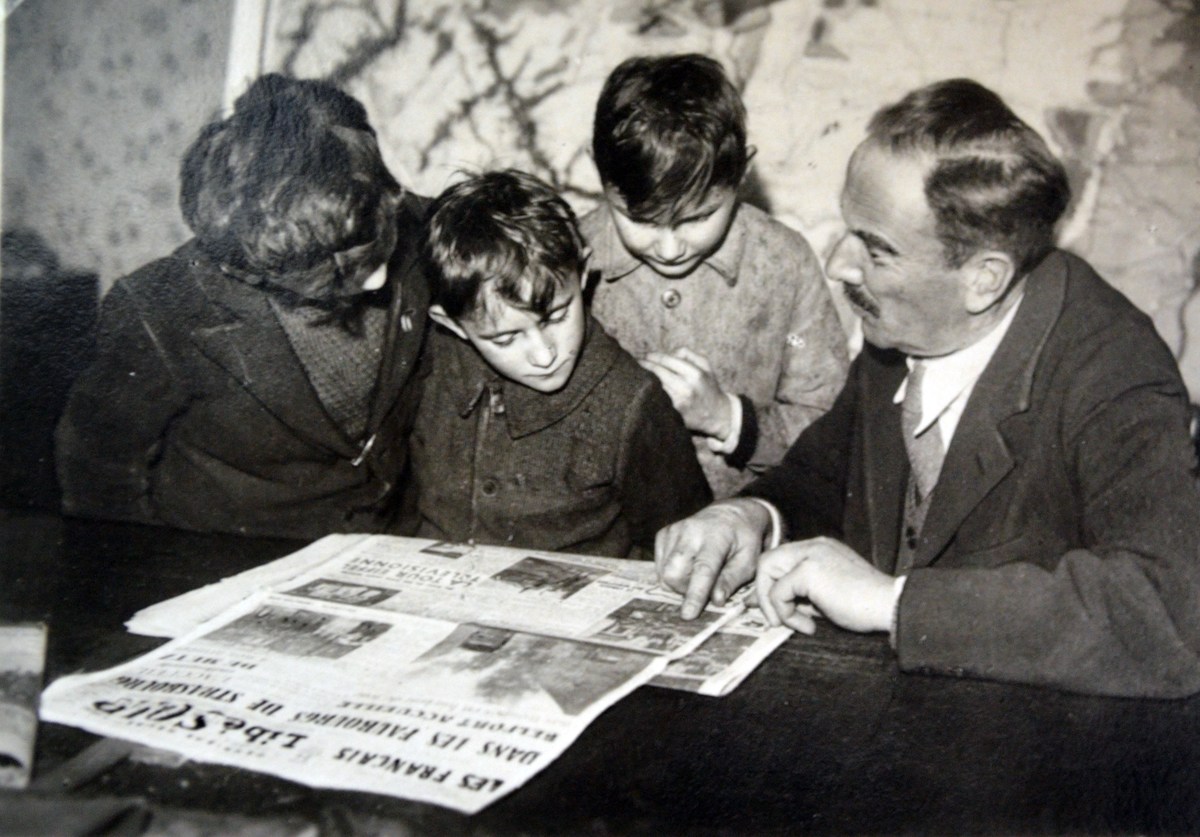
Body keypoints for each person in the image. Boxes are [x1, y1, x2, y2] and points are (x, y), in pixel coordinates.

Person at [655, 78, 1200, 698]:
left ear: (983, 279)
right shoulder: (905, 330)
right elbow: (830, 473)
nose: (838, 264)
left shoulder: (1114, 369)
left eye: (877, 250)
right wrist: (752, 516)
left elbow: (1172, 610)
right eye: (848, 229)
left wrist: (894, 602)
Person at [55, 74, 431, 540]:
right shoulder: (159, 308)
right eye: (340, 267)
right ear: (258, 259)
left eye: (375, 244)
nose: (378, 277)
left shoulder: (409, 224)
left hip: (382, 549)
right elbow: (97, 468)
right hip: (228, 555)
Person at [579, 53, 849, 499]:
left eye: (697, 218)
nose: (669, 249)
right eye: (641, 220)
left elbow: (832, 428)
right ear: (600, 172)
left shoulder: (785, 263)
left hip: (743, 528)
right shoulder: (571, 255)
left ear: (741, 172)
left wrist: (727, 418)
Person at [411, 169, 711, 559]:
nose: (544, 355)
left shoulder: (633, 403)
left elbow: (688, 540)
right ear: (452, 325)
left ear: (583, 274)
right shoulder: (430, 368)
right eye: (505, 338)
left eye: (556, 316)